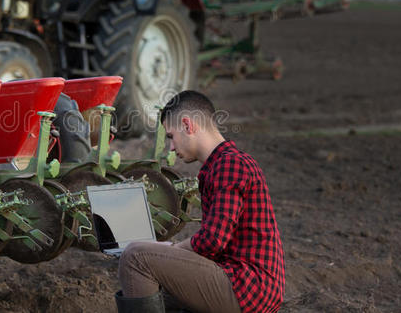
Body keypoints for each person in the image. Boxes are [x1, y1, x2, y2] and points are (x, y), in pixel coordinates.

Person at [115, 90, 285, 313]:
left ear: (188, 125)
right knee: (158, 292)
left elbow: (212, 241)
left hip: (248, 287)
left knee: (136, 257)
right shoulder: (222, 165)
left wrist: (170, 248)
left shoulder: (230, 165)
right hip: (241, 282)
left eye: (171, 136)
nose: (172, 148)